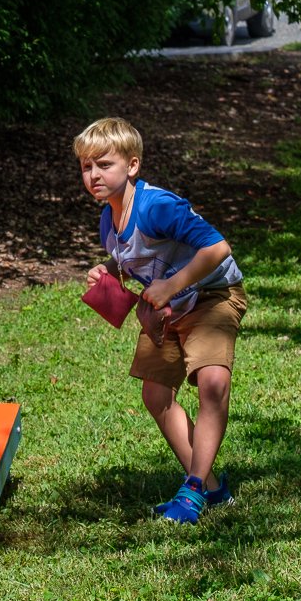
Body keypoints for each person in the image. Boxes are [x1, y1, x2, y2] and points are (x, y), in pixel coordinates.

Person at [73, 117, 246, 524]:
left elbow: (218, 247)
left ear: (132, 166)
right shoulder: (108, 221)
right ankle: (211, 487)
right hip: (167, 309)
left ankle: (194, 489)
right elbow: (129, 260)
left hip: (210, 294)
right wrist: (106, 271)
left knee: (214, 381)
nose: (94, 175)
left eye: (104, 165)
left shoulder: (157, 207)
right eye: (86, 167)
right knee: (155, 396)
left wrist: (172, 285)